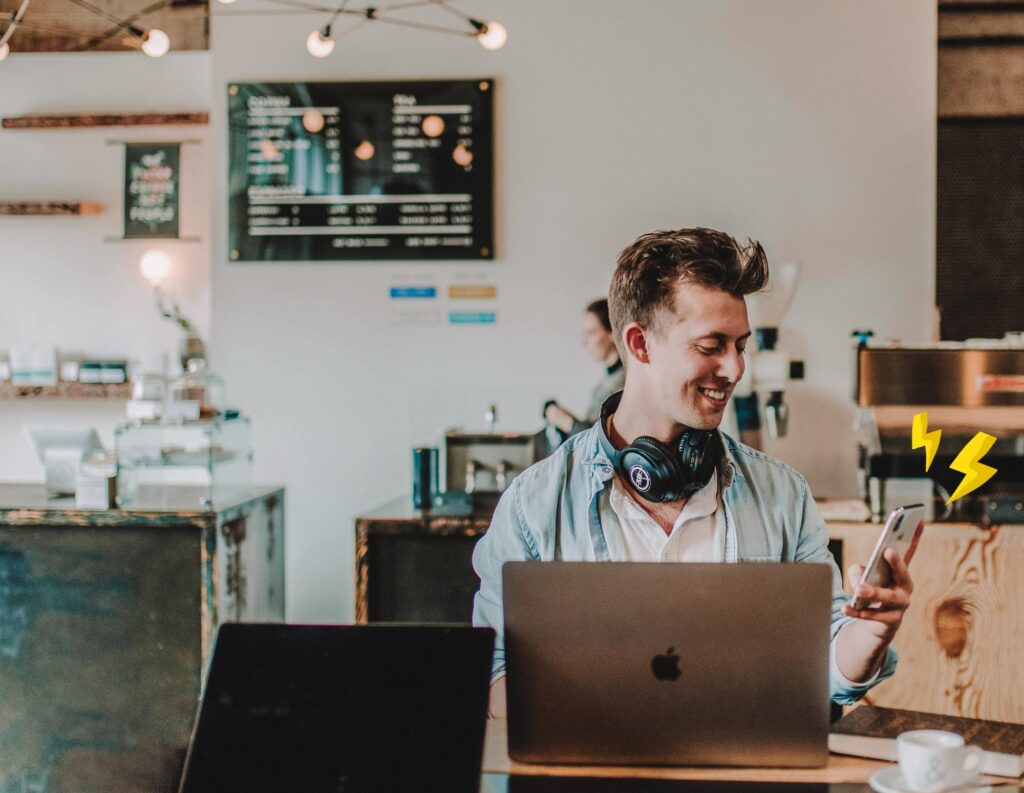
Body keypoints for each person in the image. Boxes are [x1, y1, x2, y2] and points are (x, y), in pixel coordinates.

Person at [472, 227, 913, 719]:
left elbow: (827, 667)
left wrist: (870, 632)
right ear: (639, 344)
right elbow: (492, 676)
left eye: (740, 346)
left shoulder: (783, 494)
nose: (734, 369)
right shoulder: (533, 505)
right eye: (711, 346)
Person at [543, 299, 625, 440]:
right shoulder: (608, 380)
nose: (584, 342)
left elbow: (602, 443)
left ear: (612, 333)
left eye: (591, 332)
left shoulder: (625, 382)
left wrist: (566, 422)